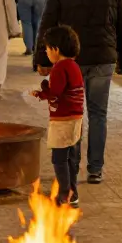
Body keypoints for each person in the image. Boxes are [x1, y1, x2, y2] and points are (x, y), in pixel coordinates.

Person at [35, 0, 122, 184]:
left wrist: (42, 59)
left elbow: (47, 23)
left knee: (72, 114)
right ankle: (95, 169)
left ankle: (73, 166)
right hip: (103, 58)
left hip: (70, 61)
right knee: (98, 113)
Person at [32, 25, 84, 206]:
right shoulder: (74, 66)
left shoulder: (60, 68)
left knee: (59, 158)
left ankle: (65, 194)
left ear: (55, 49)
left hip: (63, 120)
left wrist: (42, 91)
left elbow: (55, 93)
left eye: (47, 49)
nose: (46, 52)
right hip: (75, 118)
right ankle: (72, 192)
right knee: (71, 157)